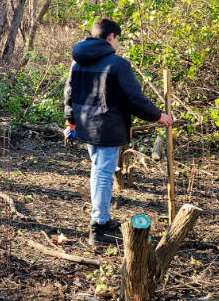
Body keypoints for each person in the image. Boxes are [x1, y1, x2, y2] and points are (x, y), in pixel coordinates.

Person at [64, 18, 173, 246]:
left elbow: (69, 94)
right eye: (118, 40)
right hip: (107, 127)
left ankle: (99, 220)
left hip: (86, 126)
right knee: (103, 174)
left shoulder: (77, 62)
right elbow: (135, 99)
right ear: (111, 36)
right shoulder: (117, 64)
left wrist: (71, 123)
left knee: (98, 171)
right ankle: (100, 226)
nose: (118, 45)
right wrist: (158, 116)